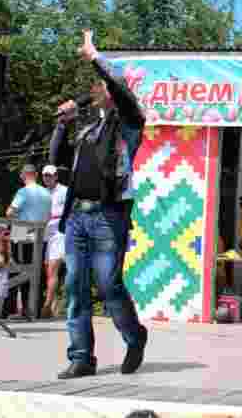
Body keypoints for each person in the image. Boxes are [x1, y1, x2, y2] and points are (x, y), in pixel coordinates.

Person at [50, 30, 148, 379]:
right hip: (78, 215)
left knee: (108, 285)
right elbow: (59, 162)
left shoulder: (130, 124)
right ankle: (81, 358)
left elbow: (120, 89)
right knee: (75, 287)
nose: (96, 89)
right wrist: (63, 125)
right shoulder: (88, 129)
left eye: (101, 85)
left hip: (109, 215)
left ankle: (135, 336)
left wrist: (94, 56)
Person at [5, 163, 52, 319]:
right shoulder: (46, 193)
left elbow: (9, 212)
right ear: (36, 175)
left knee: (16, 270)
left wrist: (15, 222)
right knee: (36, 272)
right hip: (41, 236)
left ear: (23, 175)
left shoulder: (23, 192)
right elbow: (48, 216)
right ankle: (34, 309)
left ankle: (10, 309)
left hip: (21, 233)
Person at [41, 164, 68, 318]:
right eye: (45, 175)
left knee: (53, 269)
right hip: (44, 233)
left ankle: (47, 305)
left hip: (59, 232)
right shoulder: (42, 193)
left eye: (50, 175)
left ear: (56, 176)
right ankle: (53, 305)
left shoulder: (64, 191)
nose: (47, 178)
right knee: (48, 272)